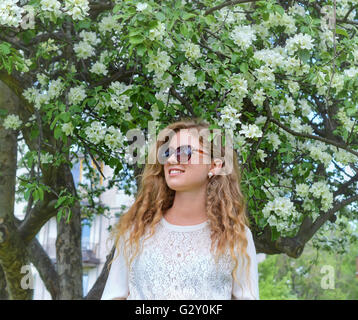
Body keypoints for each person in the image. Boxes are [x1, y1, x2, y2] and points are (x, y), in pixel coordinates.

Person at [101, 118, 259, 300]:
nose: (171, 159)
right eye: (167, 152)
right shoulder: (135, 231)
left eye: (185, 152)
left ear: (215, 165)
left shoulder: (236, 236)